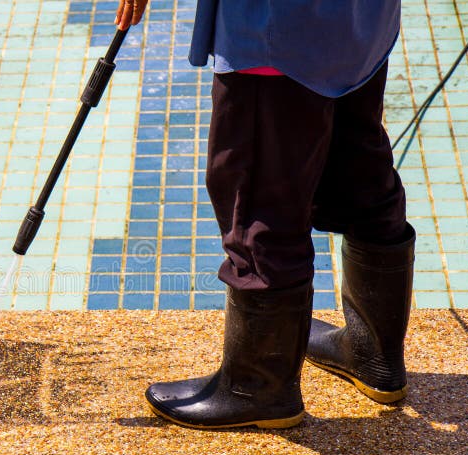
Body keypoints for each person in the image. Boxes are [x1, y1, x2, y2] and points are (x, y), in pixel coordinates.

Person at [115, 0, 416, 429]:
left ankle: (258, 387)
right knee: (361, 168)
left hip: (276, 34)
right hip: (360, 22)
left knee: (260, 193)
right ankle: (374, 356)